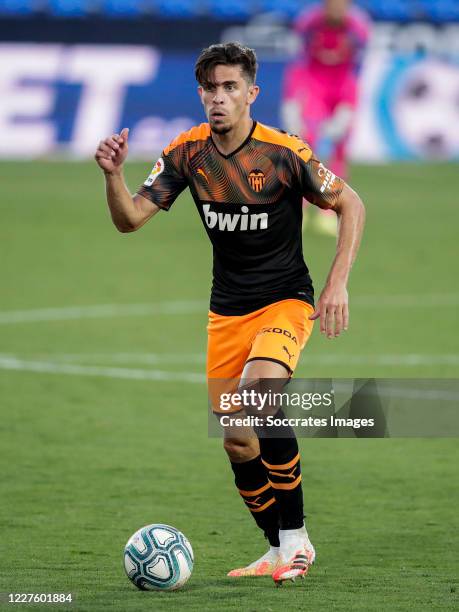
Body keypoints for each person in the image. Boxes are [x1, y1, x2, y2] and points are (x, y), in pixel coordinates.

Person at [94, 42, 365, 585]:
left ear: (251, 94)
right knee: (238, 440)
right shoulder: (187, 153)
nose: (219, 98)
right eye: (211, 89)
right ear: (201, 94)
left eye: (230, 88)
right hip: (227, 312)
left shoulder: (284, 152)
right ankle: (274, 548)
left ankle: (296, 543)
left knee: (262, 398)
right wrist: (113, 175)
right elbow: (130, 220)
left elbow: (350, 203)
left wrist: (336, 285)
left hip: (286, 301)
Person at [281, 0, 370, 235]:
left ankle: (329, 210)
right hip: (315, 86)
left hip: (342, 88)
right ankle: (296, 210)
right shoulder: (308, 23)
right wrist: (293, 98)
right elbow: (298, 63)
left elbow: (360, 67)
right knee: (306, 142)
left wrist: (349, 104)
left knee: (340, 147)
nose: (336, 8)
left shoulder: (359, 27)